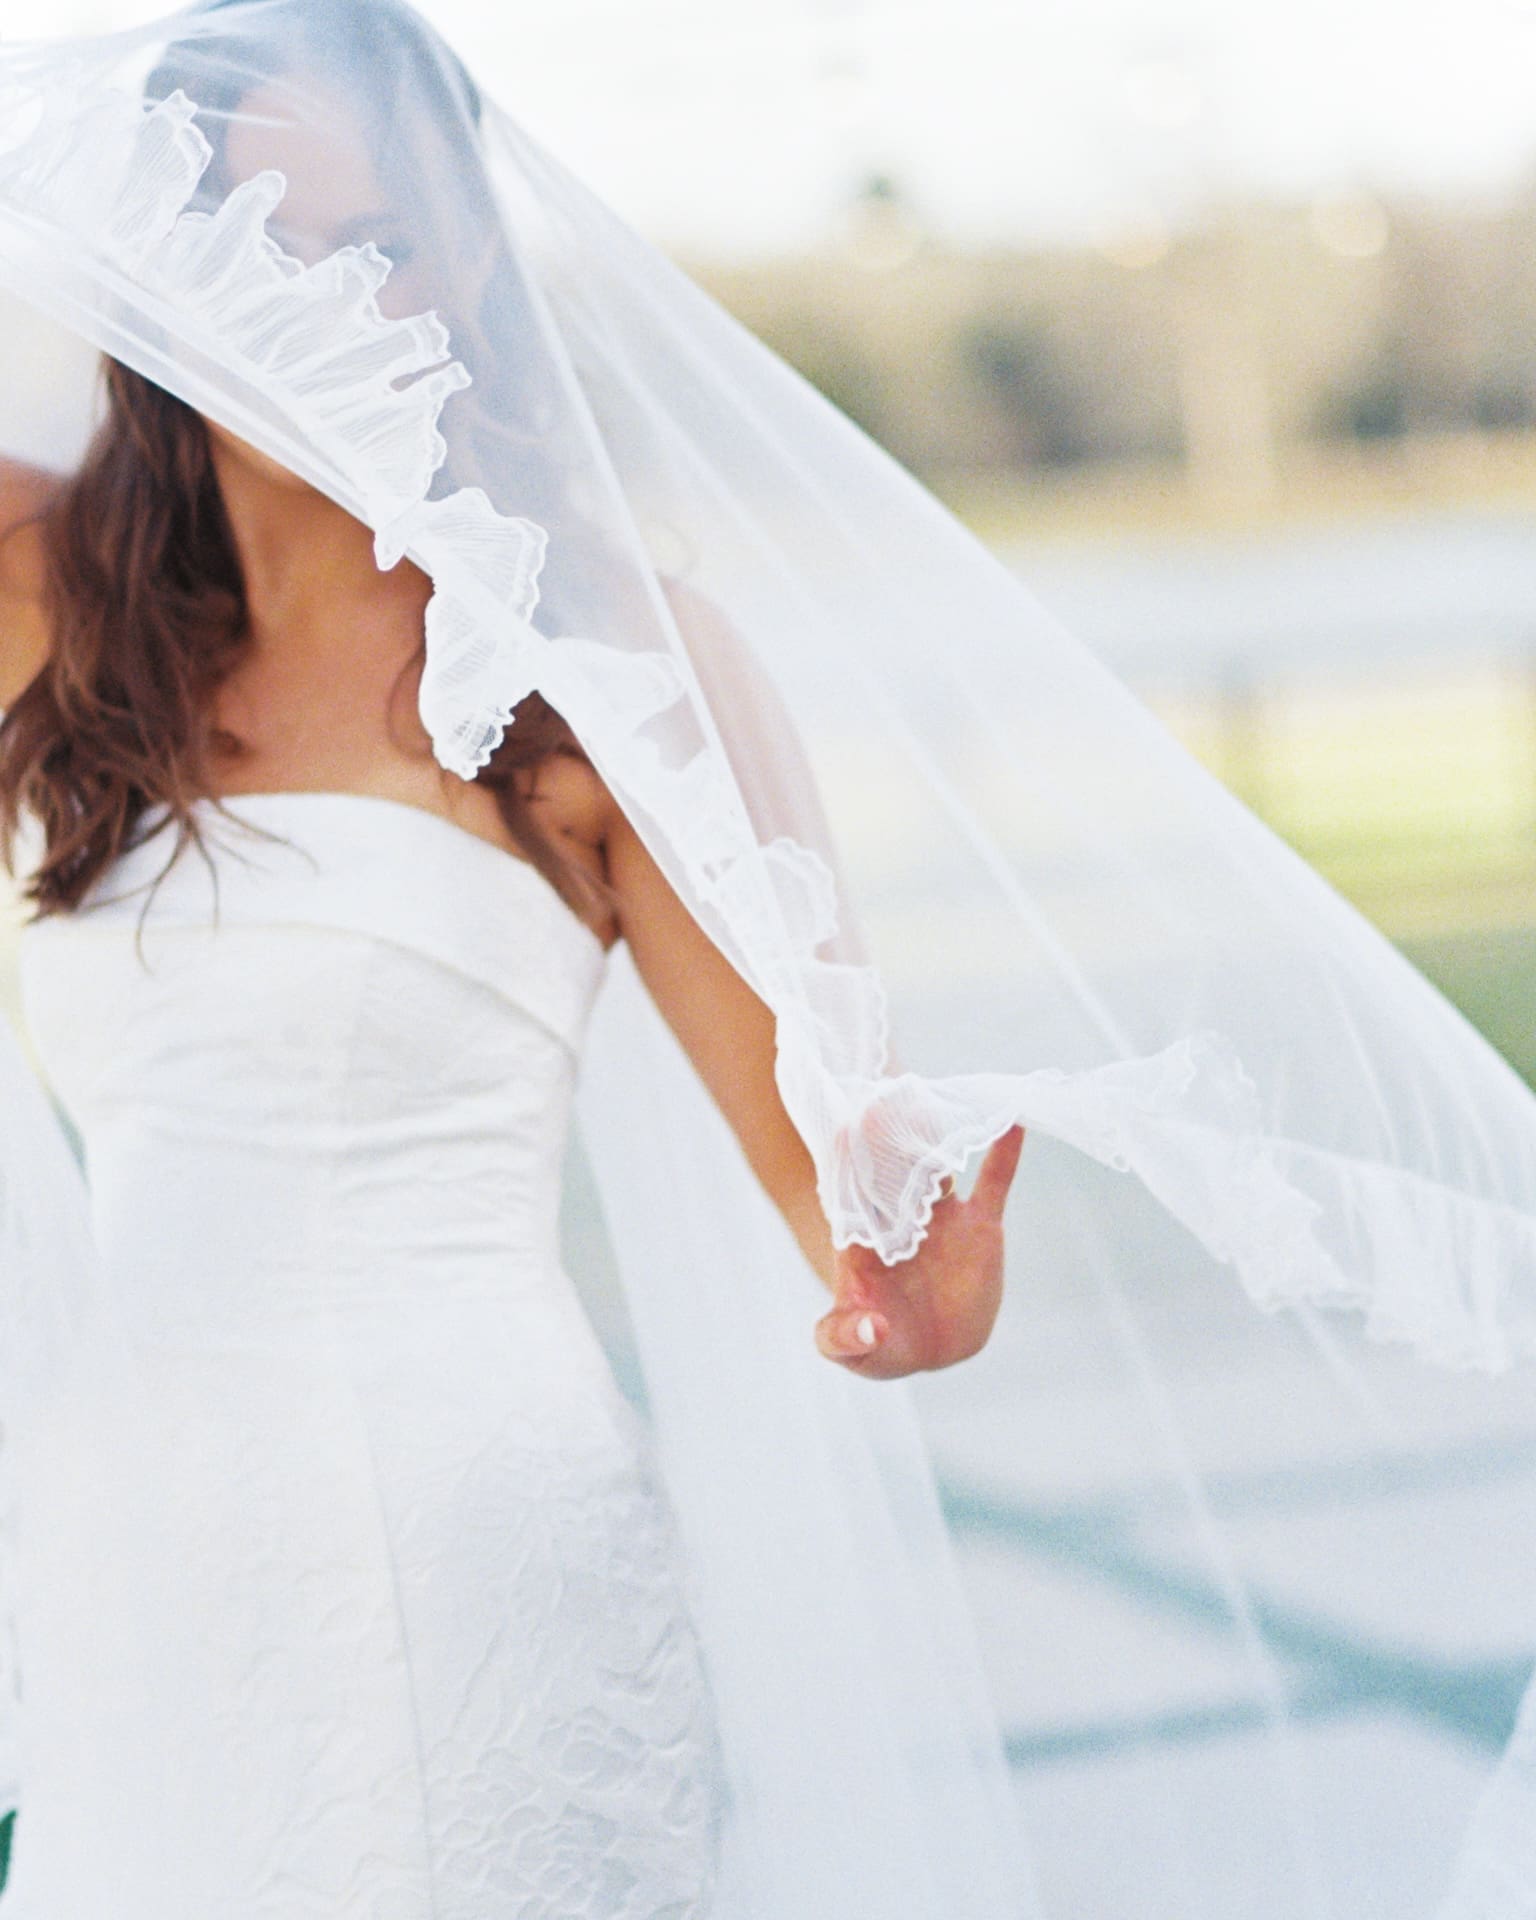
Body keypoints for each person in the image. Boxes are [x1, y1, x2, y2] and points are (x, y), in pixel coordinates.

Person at [0, 2, 1531, 1915]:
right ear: (150, 258)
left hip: (469, 1569)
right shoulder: (52, 600)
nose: (320, 302)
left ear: (471, 270)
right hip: (123, 1592)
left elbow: (841, 1206)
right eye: (256, 239)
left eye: (378, 246)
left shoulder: (606, 669)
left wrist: (921, 1294)